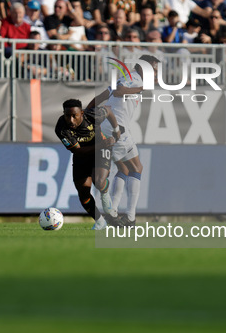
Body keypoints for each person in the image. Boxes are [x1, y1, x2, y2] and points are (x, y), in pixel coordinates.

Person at [86, 55, 160, 227]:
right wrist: (141, 88)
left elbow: (102, 96)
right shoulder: (134, 79)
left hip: (107, 128)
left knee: (124, 168)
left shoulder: (125, 77)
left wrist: (86, 112)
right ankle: (131, 217)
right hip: (117, 130)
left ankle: (112, 213)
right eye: (154, 69)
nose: (155, 73)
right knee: (136, 167)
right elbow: (119, 91)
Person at [55, 99, 124, 228]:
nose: (71, 120)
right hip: (83, 153)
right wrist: (102, 144)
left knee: (99, 181)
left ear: (81, 113)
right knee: (83, 192)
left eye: (74, 116)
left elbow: (108, 110)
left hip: (102, 150)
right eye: (67, 116)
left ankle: (105, 194)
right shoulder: (61, 128)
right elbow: (78, 150)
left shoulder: (92, 115)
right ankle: (100, 221)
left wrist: (116, 128)